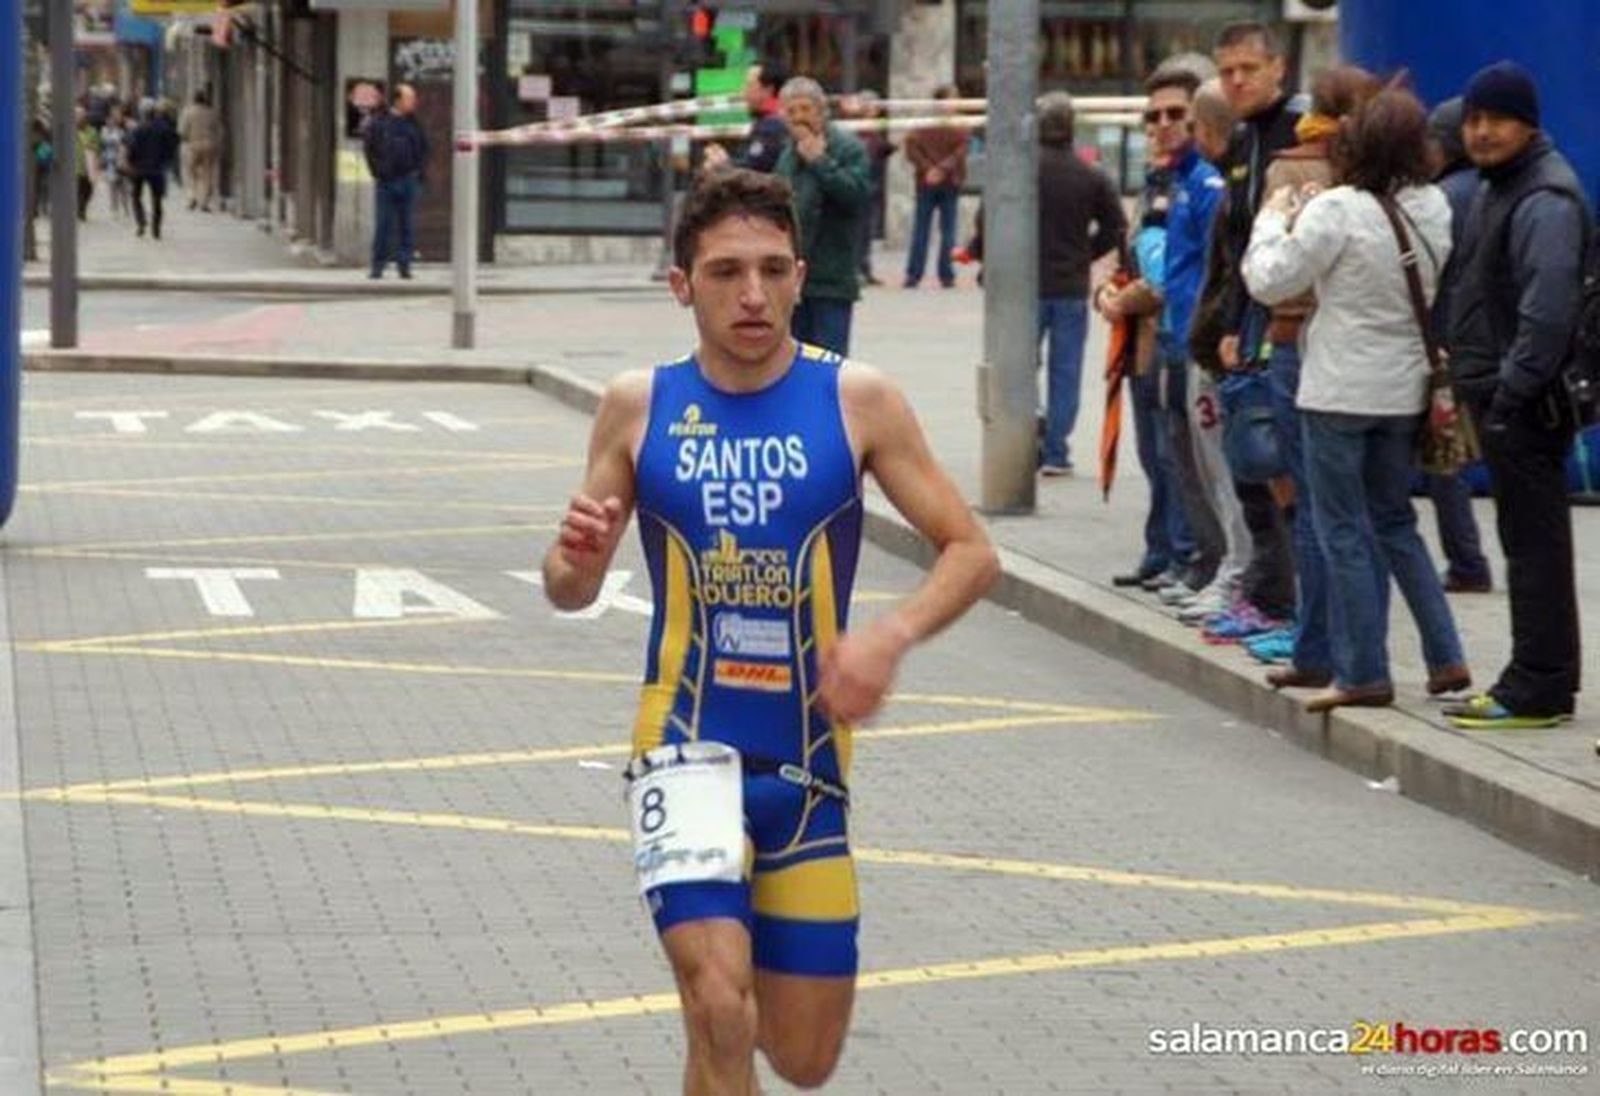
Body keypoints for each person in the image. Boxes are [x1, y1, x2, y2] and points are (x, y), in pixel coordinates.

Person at [541, 168, 998, 1096]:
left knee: (800, 1056)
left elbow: (970, 551)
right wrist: (577, 560)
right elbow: (567, 589)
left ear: (800, 276)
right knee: (718, 1000)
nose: (751, 294)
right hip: (682, 747)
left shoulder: (857, 399)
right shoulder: (639, 404)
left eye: (772, 269)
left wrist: (889, 637)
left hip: (807, 761)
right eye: (723, 273)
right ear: (682, 286)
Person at [1244, 87, 1470, 713]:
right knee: (1396, 522)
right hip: (1404, 389)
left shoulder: (1335, 209)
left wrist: (1272, 219)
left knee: (1341, 528)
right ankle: (1446, 655)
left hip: (1339, 388)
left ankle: (1364, 671)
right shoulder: (1434, 206)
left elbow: (1271, 281)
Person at [1443, 62, 1590, 729]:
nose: (1481, 131)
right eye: (1474, 119)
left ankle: (1538, 685)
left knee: (1534, 549)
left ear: (1527, 124)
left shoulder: (1543, 199)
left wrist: (1509, 394)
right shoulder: (1501, 188)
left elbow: (1547, 313)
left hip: (1526, 405)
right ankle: (1538, 676)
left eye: (1496, 119)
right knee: (1526, 542)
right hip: (1504, 397)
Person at [1254, 65, 1381, 684]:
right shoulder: (1392, 176)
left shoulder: (1292, 169)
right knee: (1378, 516)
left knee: (1317, 508)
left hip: (1300, 340)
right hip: (1380, 358)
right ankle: (1370, 652)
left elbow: (1273, 272)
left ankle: (1315, 650)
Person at [1098, 68, 1216, 586]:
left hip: (1180, 335)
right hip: (1145, 340)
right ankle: (1162, 549)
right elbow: (1137, 256)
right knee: (1154, 454)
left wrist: (1122, 298)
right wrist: (1108, 289)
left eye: (1175, 114)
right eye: (1154, 116)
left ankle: (1188, 555)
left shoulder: (1200, 180)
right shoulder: (1154, 180)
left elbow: (1175, 270)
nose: (1162, 124)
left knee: (1179, 458)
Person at [1208, 21, 1301, 638]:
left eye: (1249, 68)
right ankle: (1270, 599)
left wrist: (1265, 323)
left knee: (1282, 471)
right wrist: (1231, 323)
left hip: (1289, 329)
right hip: (1247, 324)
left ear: (1278, 71)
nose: (1237, 80)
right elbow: (1241, 245)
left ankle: (1291, 607)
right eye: (1228, 71)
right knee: (1251, 465)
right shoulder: (1244, 139)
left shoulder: (1299, 138)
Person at [1419, 96, 1494, 595]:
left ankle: (1467, 561)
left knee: (1444, 458)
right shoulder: (1494, 189)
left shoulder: (1442, 199)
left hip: (1449, 343)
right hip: (1496, 341)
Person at [774, 77, 871, 357]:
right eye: (791, 112)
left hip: (832, 278)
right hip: (792, 281)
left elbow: (856, 195)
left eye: (806, 109)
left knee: (830, 365)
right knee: (791, 362)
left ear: (821, 111)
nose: (799, 118)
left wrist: (820, 162)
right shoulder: (787, 156)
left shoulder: (847, 148)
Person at [902, 85, 967, 290]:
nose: (956, 103)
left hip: (932, 181)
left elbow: (911, 148)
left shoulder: (924, 125)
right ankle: (935, 274)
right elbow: (960, 152)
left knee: (937, 230)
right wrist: (938, 168)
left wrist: (929, 169)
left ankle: (922, 274)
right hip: (942, 181)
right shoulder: (957, 126)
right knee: (934, 229)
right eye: (952, 99)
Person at [363, 82, 428, 280]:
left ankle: (404, 265)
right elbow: (370, 149)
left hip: (408, 179)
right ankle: (378, 265)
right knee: (383, 224)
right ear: (398, 100)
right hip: (386, 181)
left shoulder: (414, 123)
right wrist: (378, 172)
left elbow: (423, 148)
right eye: (410, 98)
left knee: (406, 225)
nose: (414, 102)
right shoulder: (380, 122)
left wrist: (418, 172)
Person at [703, 60, 789, 175]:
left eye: (749, 85)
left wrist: (722, 165)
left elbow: (752, 174)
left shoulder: (772, 126)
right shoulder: (774, 121)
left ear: (768, 90)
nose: (743, 92)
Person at [126, 99, 178, 239]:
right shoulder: (163, 128)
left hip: (139, 169)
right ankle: (156, 229)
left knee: (136, 196)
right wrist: (165, 161)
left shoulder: (138, 129)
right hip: (156, 169)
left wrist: (130, 162)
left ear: (142, 113)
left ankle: (141, 221)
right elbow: (172, 145)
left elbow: (132, 149)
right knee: (157, 200)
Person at [179, 89, 223, 213]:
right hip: (209, 146)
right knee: (207, 174)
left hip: (193, 145)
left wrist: (187, 139)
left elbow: (182, 131)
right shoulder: (212, 113)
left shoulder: (188, 112)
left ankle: (192, 197)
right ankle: (204, 202)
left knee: (190, 173)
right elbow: (219, 130)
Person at [74, 106, 100, 221]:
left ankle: (82, 207)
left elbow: (97, 146)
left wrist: (92, 147)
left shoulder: (92, 131)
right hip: (76, 165)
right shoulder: (71, 131)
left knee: (89, 190)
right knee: (79, 189)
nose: (79, 118)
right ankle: (80, 211)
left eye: (81, 116)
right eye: (77, 116)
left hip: (89, 165)